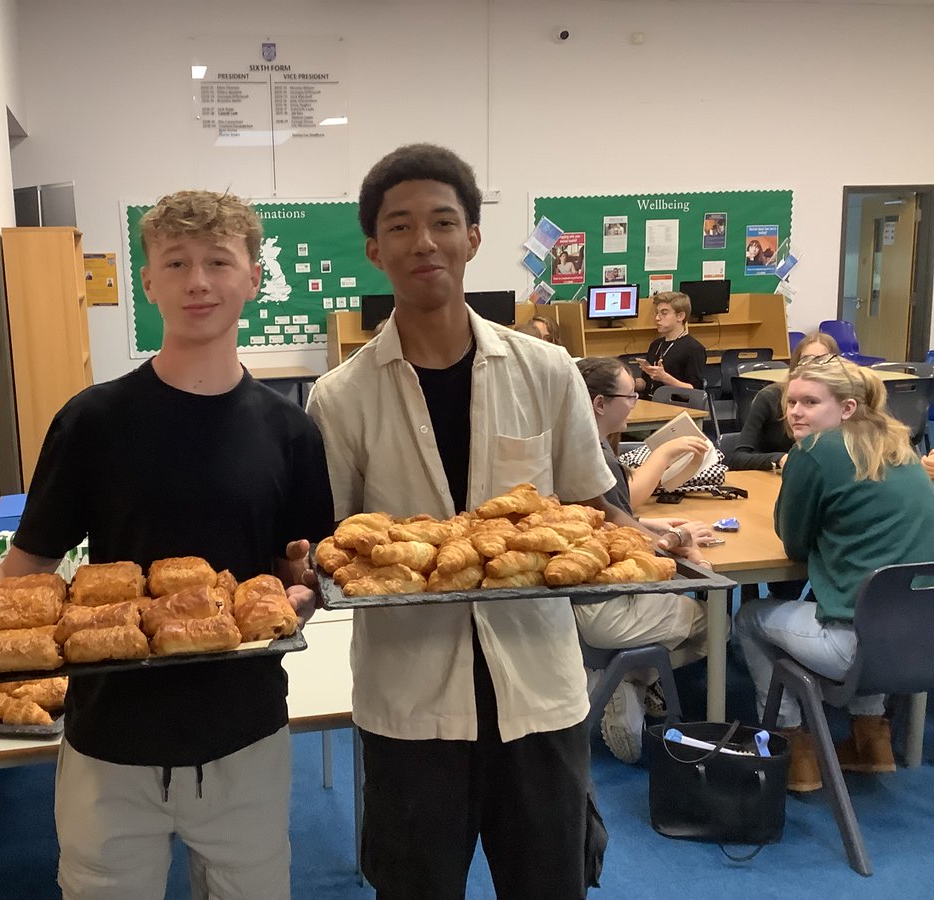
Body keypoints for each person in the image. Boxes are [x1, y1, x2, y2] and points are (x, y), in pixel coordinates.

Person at [0, 189, 335, 898]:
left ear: (253, 278)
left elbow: (298, 573)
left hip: (243, 732)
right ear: (148, 282)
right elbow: (25, 574)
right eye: (175, 263)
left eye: (217, 261)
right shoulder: (92, 421)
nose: (197, 281)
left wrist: (305, 586)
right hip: (110, 737)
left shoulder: (290, 432)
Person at [306, 143, 701, 900]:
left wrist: (643, 536)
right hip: (410, 701)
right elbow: (336, 547)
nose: (424, 242)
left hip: (539, 693)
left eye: (443, 222)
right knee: (416, 886)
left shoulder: (544, 370)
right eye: (400, 226)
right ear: (373, 248)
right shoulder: (340, 397)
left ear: (473, 238)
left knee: (550, 883)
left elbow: (590, 506)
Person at [734, 357, 934, 793]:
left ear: (846, 408)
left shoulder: (814, 451)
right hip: (922, 643)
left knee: (748, 617)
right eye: (791, 402)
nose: (795, 412)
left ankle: (793, 748)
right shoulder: (901, 445)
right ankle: (871, 741)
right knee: (869, 604)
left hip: (853, 650)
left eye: (810, 402)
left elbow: (793, 542)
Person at [574, 357, 713, 762]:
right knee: (718, 623)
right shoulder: (594, 457)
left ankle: (628, 675)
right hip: (607, 605)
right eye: (629, 396)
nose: (635, 402)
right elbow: (615, 532)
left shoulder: (583, 447)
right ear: (600, 403)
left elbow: (609, 519)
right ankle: (630, 678)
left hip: (585, 599)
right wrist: (677, 538)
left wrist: (650, 525)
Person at [728, 331, 841, 472]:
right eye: (805, 360)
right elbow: (737, 458)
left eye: (821, 361)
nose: (812, 367)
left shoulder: (839, 403)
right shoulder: (769, 397)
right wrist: (780, 459)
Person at [633, 291, 706, 397]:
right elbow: (646, 383)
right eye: (657, 313)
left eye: (664, 313)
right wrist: (627, 383)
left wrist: (664, 377)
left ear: (680, 316)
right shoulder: (656, 345)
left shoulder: (694, 349)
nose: (657, 318)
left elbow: (694, 392)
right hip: (651, 405)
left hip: (677, 407)